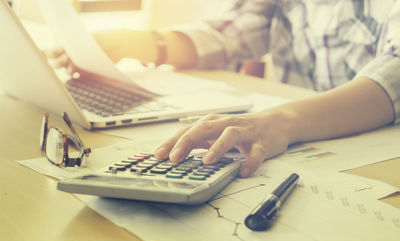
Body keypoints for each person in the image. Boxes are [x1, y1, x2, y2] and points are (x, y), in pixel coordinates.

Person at [49, 0, 400, 178]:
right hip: (303, 154)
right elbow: (232, 32)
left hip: (379, 159)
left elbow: (394, 73)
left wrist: (280, 121)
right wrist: (139, 42)